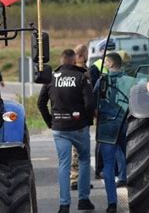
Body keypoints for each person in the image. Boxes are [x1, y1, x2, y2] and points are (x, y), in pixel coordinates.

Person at [37, 49, 96, 213]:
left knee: (64, 164)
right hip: (79, 127)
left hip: (59, 128)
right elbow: (90, 103)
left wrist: (50, 122)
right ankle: (83, 200)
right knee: (84, 160)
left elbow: (40, 103)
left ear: (62, 60)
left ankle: (64, 205)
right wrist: (88, 120)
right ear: (72, 60)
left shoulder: (51, 78)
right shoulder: (82, 77)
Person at [96, 52, 133, 213]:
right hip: (127, 125)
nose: (104, 65)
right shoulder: (131, 81)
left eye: (106, 62)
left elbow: (93, 99)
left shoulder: (102, 81)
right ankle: (136, 197)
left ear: (111, 64)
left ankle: (112, 203)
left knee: (109, 166)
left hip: (108, 126)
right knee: (134, 161)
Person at [89, 38, 116, 179]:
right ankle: (101, 168)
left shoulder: (95, 66)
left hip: (105, 107)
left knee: (104, 139)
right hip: (108, 107)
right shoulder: (96, 68)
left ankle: (102, 169)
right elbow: (93, 91)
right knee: (105, 139)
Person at [70, 44, 89, 191]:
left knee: (73, 151)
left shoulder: (68, 70)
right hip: (81, 116)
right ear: (82, 55)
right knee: (82, 152)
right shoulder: (84, 72)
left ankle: (74, 178)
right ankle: (78, 179)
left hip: (68, 115)